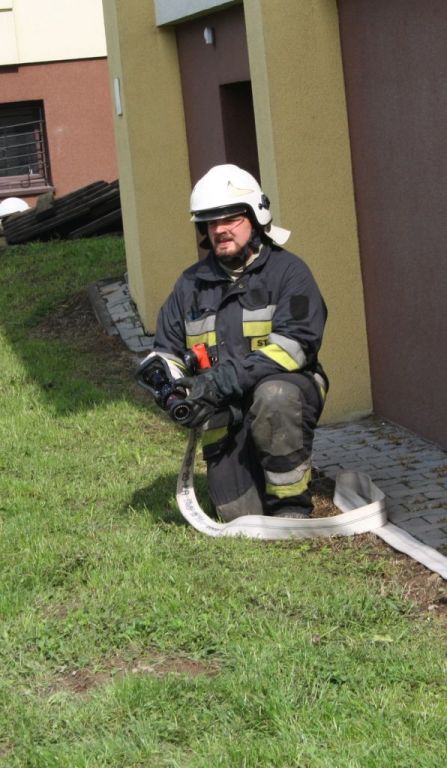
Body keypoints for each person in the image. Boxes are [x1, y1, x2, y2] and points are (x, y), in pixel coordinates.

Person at [149, 164, 328, 521]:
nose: (220, 229)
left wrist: (218, 381)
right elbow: (165, 353)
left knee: (274, 396)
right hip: (224, 411)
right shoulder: (190, 286)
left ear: (255, 216)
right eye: (211, 222)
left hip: (285, 394)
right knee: (238, 516)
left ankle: (290, 506)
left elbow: (295, 346)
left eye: (230, 218)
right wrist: (175, 396)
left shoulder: (289, 273)